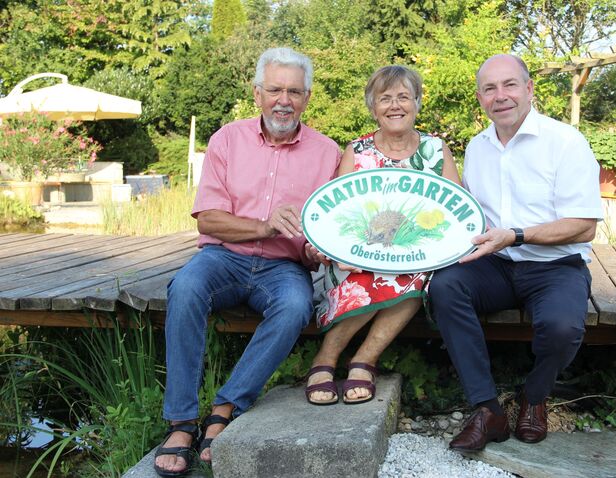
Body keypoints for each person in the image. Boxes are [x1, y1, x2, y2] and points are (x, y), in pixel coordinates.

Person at [153, 47, 341, 477]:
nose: (284, 100)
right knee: (184, 287)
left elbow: (323, 232)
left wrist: (319, 248)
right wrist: (266, 226)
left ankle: (225, 407)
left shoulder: (327, 152)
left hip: (285, 268)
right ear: (257, 93)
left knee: (296, 307)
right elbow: (209, 217)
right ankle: (181, 421)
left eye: (294, 91)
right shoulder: (226, 139)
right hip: (224, 258)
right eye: (275, 89)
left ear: (307, 98)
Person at [429, 54, 603, 452]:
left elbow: (584, 224)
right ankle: (488, 409)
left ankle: (535, 396)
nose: (500, 96)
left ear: (529, 89)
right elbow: (467, 213)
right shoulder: (478, 146)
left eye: (509, 85)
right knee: (445, 287)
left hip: (555, 266)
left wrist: (516, 235)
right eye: (490, 88)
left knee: (562, 328)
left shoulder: (565, 142)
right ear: (480, 98)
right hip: (498, 265)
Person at [305, 65, 461, 406]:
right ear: (372, 107)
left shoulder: (436, 150)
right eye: (385, 98)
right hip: (361, 250)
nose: (395, 105)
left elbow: (456, 214)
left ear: (417, 103)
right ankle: (326, 358)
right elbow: (338, 213)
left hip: (418, 253)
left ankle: (364, 359)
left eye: (404, 97)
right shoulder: (357, 151)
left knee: (418, 273)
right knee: (364, 270)